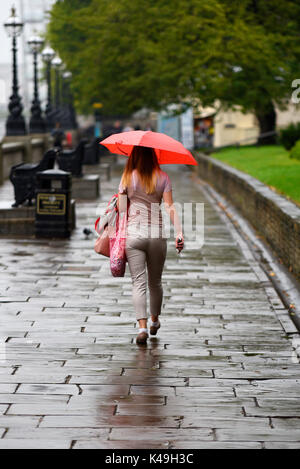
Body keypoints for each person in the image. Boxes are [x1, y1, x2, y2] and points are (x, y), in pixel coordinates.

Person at [117, 146, 184, 345]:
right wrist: (179, 232)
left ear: (134, 156)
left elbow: (121, 210)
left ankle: (142, 328)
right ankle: (155, 321)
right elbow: (170, 206)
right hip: (156, 235)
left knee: (138, 282)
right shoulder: (163, 177)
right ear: (153, 156)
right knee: (155, 281)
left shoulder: (127, 177)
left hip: (134, 234)